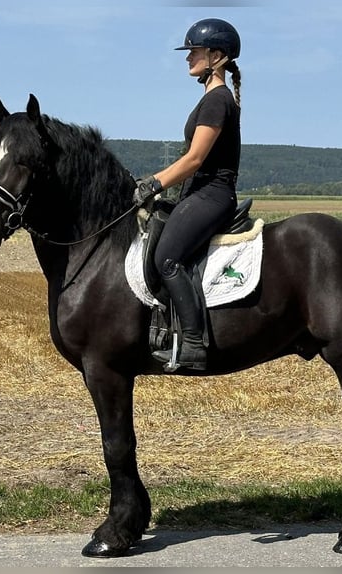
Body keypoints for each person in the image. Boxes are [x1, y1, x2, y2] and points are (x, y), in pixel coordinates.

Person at [133, 18, 242, 371]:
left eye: (193, 51)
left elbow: (195, 159)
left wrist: (154, 183)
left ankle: (194, 343)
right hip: (199, 193)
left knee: (167, 258)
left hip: (211, 194)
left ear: (217, 56)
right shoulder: (212, 99)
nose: (187, 57)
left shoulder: (217, 101)